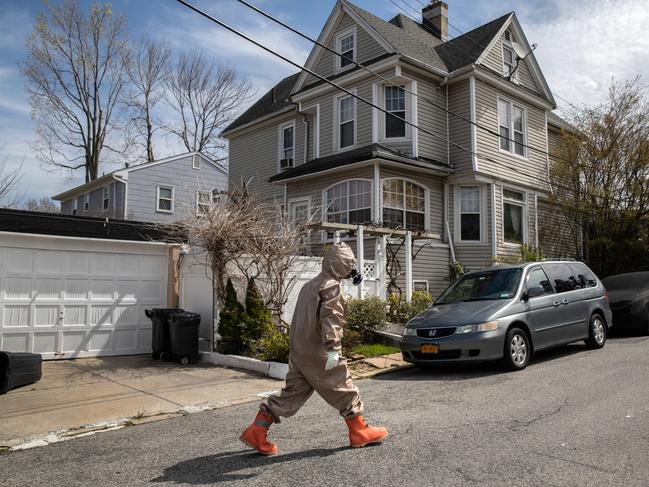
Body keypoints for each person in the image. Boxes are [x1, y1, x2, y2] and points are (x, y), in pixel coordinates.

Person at [239, 242, 388, 455]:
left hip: (300, 352)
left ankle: (257, 430)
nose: (350, 270)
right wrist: (334, 351)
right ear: (342, 266)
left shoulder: (309, 286)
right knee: (344, 387)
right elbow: (331, 322)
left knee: (291, 395)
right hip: (320, 352)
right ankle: (359, 432)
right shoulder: (331, 288)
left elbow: (299, 320)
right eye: (349, 265)